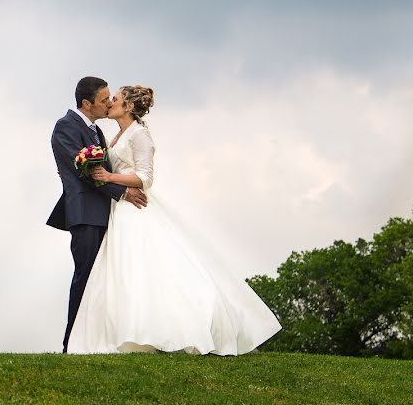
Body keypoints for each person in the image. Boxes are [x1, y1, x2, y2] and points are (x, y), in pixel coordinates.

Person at [66, 85, 282, 354]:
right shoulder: (116, 134)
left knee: (143, 265)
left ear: (129, 107)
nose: (110, 102)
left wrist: (110, 178)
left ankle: (170, 328)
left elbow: (145, 178)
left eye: (116, 99)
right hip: (119, 209)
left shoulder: (140, 135)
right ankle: (124, 329)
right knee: (125, 269)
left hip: (135, 208)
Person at [47, 76, 148, 354]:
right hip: (86, 214)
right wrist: (123, 192)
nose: (109, 104)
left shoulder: (97, 132)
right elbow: (87, 172)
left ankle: (98, 339)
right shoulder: (66, 126)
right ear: (86, 103)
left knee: (102, 281)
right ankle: (72, 343)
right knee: (86, 276)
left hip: (105, 213)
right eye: (104, 100)